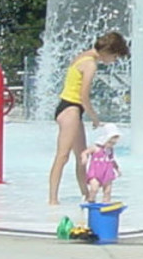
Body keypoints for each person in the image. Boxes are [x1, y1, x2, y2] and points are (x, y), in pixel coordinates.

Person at [48, 31, 130, 205]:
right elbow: (84, 95)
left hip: (72, 108)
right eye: (115, 57)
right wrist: (95, 118)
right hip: (70, 108)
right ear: (108, 51)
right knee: (62, 156)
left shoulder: (83, 56)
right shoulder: (90, 64)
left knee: (81, 156)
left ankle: (86, 195)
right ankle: (53, 199)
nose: (114, 62)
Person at [80, 123, 122, 203]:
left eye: (113, 144)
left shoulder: (110, 150)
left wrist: (117, 169)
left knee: (107, 191)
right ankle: (91, 201)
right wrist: (84, 158)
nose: (111, 145)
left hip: (107, 173)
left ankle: (105, 205)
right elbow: (84, 152)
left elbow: (112, 160)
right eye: (110, 142)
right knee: (94, 189)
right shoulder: (96, 148)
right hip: (95, 173)